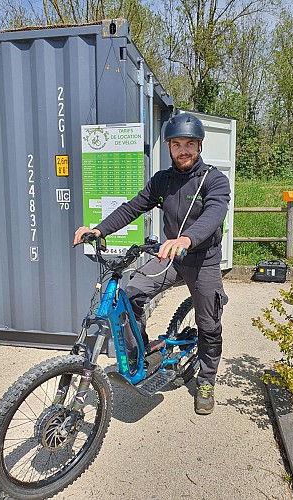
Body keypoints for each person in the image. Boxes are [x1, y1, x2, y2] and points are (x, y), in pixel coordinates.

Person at [74, 112, 231, 415]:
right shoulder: (163, 180)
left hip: (202, 260)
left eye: (189, 144)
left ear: (199, 145)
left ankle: (207, 379)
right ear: (170, 148)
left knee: (209, 323)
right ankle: (141, 354)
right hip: (169, 258)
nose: (183, 151)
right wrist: (99, 229)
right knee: (130, 294)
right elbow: (133, 206)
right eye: (176, 145)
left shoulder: (214, 180)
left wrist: (186, 239)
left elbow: (214, 215)